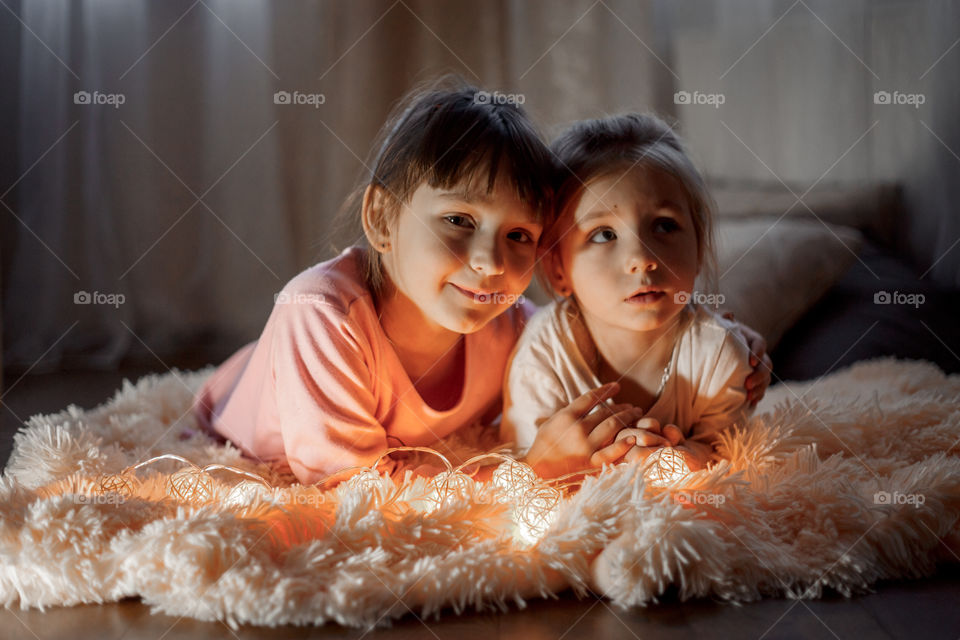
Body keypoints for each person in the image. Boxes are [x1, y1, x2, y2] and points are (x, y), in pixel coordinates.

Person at [193, 79, 770, 486]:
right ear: (382, 219)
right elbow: (354, 490)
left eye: (518, 234)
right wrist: (530, 472)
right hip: (241, 414)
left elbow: (588, 327)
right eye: (459, 221)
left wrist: (723, 339)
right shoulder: (322, 315)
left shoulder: (508, 325)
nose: (491, 261)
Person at [502, 113, 763, 479]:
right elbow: (525, 465)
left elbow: (725, 452)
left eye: (664, 226)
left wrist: (683, 459)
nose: (642, 258)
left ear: (699, 248)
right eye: (604, 234)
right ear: (558, 269)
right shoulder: (544, 355)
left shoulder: (718, 353)